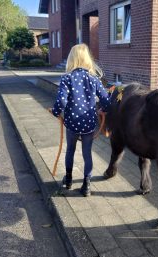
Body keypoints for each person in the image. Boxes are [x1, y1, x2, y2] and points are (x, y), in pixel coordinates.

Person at [49, 44, 110, 196]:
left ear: (72, 59)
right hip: (89, 123)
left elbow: (61, 101)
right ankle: (87, 186)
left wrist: (56, 112)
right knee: (87, 153)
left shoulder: (67, 78)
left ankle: (68, 180)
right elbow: (106, 101)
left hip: (71, 123)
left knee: (70, 150)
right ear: (87, 59)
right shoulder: (93, 78)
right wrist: (103, 110)